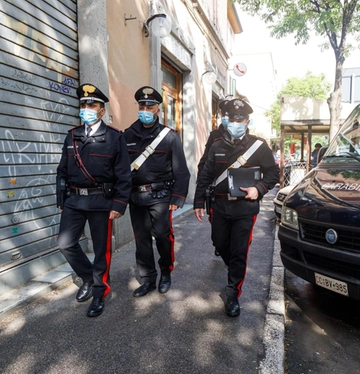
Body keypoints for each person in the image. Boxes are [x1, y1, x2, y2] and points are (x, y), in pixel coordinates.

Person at [194, 98, 279, 317]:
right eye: (232, 118)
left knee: (239, 251)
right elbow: (205, 174)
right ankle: (233, 267)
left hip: (245, 208)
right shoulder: (217, 145)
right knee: (219, 242)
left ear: (247, 120)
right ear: (227, 120)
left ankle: (233, 294)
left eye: (240, 118)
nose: (236, 121)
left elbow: (273, 173)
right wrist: (197, 202)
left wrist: (258, 188)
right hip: (219, 205)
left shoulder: (259, 146)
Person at [56, 83, 132, 318]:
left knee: (101, 250)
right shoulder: (72, 136)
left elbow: (124, 174)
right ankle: (88, 278)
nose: (86, 108)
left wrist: (119, 204)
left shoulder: (114, 137)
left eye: (92, 104)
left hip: (101, 201)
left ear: (101, 110)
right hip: (74, 201)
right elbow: (62, 170)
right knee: (65, 244)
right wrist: (62, 199)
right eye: (83, 104)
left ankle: (100, 291)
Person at [124, 86, 190, 297]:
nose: (145, 109)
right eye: (142, 106)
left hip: (161, 196)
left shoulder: (169, 136)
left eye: (150, 106)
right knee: (141, 239)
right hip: (136, 196)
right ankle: (148, 279)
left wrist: (177, 197)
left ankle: (166, 272)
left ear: (157, 110)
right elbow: (120, 169)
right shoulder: (127, 135)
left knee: (162, 235)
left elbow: (181, 169)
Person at [197, 99, 230, 257]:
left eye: (229, 114)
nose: (226, 117)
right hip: (216, 189)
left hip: (238, 190)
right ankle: (220, 242)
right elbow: (204, 162)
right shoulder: (214, 136)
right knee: (216, 223)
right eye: (224, 114)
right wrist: (201, 188)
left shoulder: (247, 138)